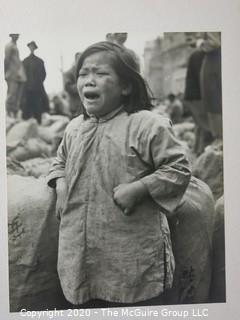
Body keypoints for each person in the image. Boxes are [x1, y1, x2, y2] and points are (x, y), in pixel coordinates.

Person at [46, 41, 191, 308]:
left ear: (126, 86)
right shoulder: (74, 128)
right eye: (83, 74)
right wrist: (61, 182)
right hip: (80, 250)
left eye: (101, 74)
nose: (89, 81)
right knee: (86, 298)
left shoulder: (147, 124)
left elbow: (178, 169)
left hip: (130, 254)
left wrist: (139, 189)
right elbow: (59, 161)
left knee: (132, 302)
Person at [184, 38, 213, 155]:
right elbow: (202, 78)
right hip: (198, 96)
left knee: (200, 126)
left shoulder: (195, 55)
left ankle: (197, 152)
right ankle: (201, 153)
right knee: (206, 128)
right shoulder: (202, 56)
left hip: (192, 97)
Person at [200, 32, 222, 142]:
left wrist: (199, 43)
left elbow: (214, 43)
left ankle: (219, 139)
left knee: (213, 104)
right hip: (215, 62)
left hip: (213, 63)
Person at [22, 41, 49, 124]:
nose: (31, 48)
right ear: (29, 48)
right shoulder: (24, 61)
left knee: (38, 108)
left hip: (37, 89)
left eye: (33, 47)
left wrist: (38, 83)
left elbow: (44, 74)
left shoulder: (40, 61)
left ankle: (38, 124)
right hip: (27, 89)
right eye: (30, 47)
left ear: (35, 48)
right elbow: (22, 74)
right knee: (26, 108)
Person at [4, 33, 26, 118]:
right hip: (12, 74)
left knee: (17, 95)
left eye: (17, 35)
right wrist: (6, 72)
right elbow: (7, 60)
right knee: (11, 94)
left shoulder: (15, 46)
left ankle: (14, 113)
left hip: (18, 74)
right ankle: (9, 113)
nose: (17, 37)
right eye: (15, 35)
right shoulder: (9, 46)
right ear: (11, 36)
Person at [63, 52, 84, 118]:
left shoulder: (85, 72)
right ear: (75, 60)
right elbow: (67, 87)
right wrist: (82, 86)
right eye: (79, 59)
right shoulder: (68, 73)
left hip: (85, 106)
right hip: (75, 106)